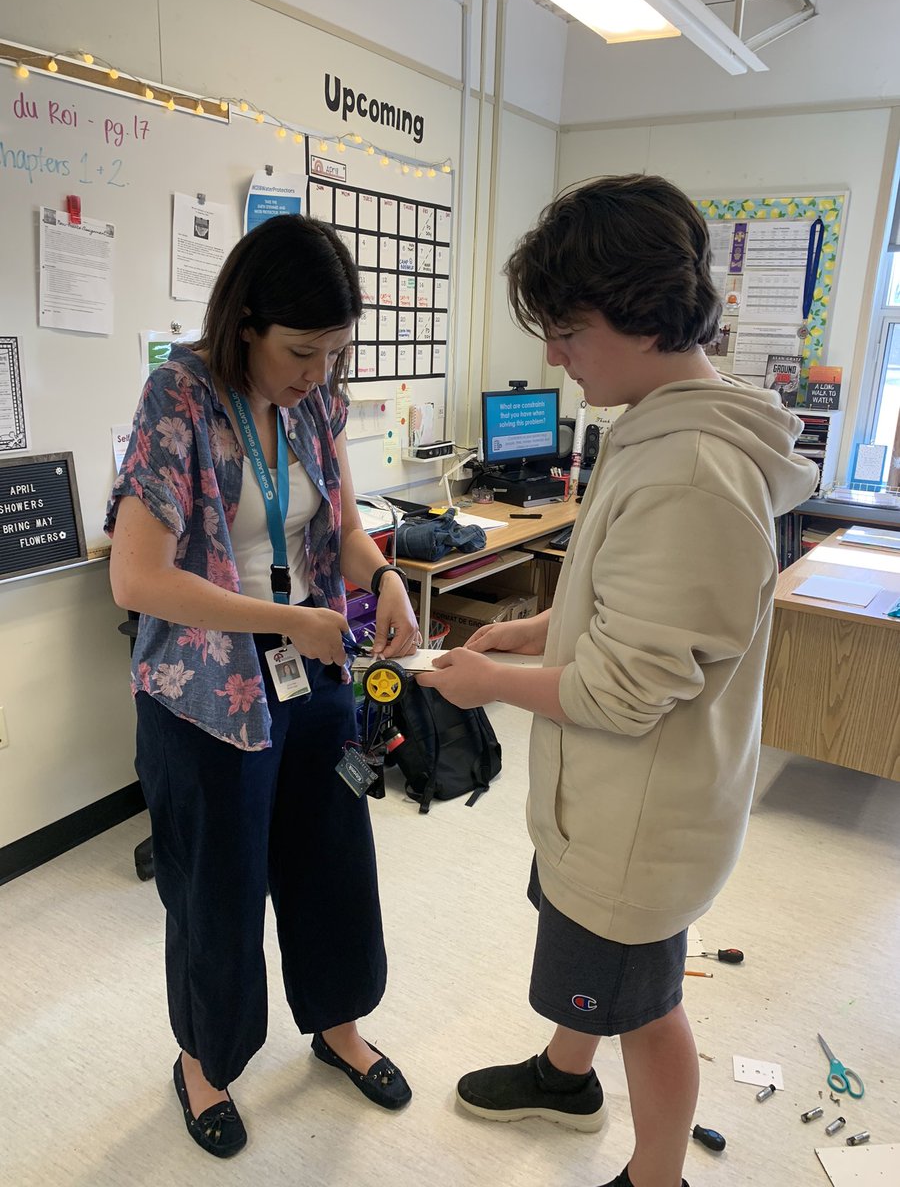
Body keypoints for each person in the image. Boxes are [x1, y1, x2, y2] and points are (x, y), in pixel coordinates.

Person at [423, 175, 818, 1187]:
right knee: (590, 968)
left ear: (643, 315)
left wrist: (486, 683)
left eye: (569, 330)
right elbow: (628, 609)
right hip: (611, 802)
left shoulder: (690, 468)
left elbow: (624, 688)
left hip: (639, 817)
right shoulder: (658, 423)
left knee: (644, 1005)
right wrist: (531, 630)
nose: (553, 356)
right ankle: (566, 1075)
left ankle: (658, 1177)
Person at [106, 214, 418, 1157]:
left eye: (335, 352)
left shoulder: (315, 402)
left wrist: (386, 578)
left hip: (309, 672)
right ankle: (204, 1063)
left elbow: (345, 532)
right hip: (203, 695)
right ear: (247, 322)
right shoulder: (179, 395)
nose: (318, 372)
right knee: (216, 892)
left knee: (332, 861)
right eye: (301, 351)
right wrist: (290, 620)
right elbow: (138, 578)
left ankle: (337, 1027)